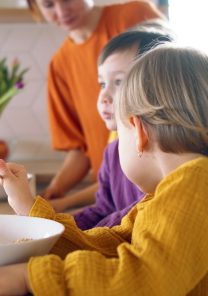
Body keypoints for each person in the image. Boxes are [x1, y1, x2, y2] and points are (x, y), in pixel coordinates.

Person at [0, 43, 208, 295]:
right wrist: (30, 208)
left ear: (139, 132)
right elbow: (102, 249)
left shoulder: (197, 184)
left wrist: (31, 277)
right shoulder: (179, 190)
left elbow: (144, 279)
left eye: (120, 132)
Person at [25, 0, 168, 203]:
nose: (61, 11)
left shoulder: (133, 17)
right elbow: (80, 151)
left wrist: (63, 204)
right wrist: (55, 190)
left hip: (158, 186)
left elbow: (179, 83)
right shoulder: (60, 65)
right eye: (48, 4)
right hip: (114, 196)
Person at [53, 22, 176, 229]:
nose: (103, 96)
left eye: (119, 81)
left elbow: (137, 219)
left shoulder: (168, 156)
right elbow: (102, 212)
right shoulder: (112, 153)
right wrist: (51, 227)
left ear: (159, 87)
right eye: (102, 83)